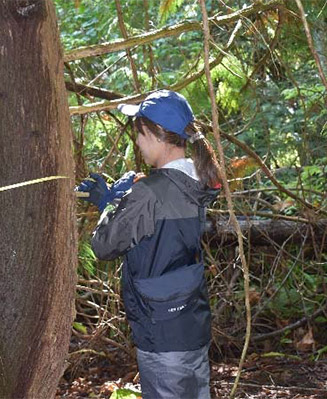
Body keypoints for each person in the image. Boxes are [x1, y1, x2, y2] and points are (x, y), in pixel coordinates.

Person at [76, 90, 221, 399]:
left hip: (161, 330)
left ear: (156, 135)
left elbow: (103, 245)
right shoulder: (198, 181)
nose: (138, 142)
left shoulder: (149, 193)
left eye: (139, 134)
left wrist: (111, 203)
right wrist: (119, 202)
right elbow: (153, 230)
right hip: (190, 322)